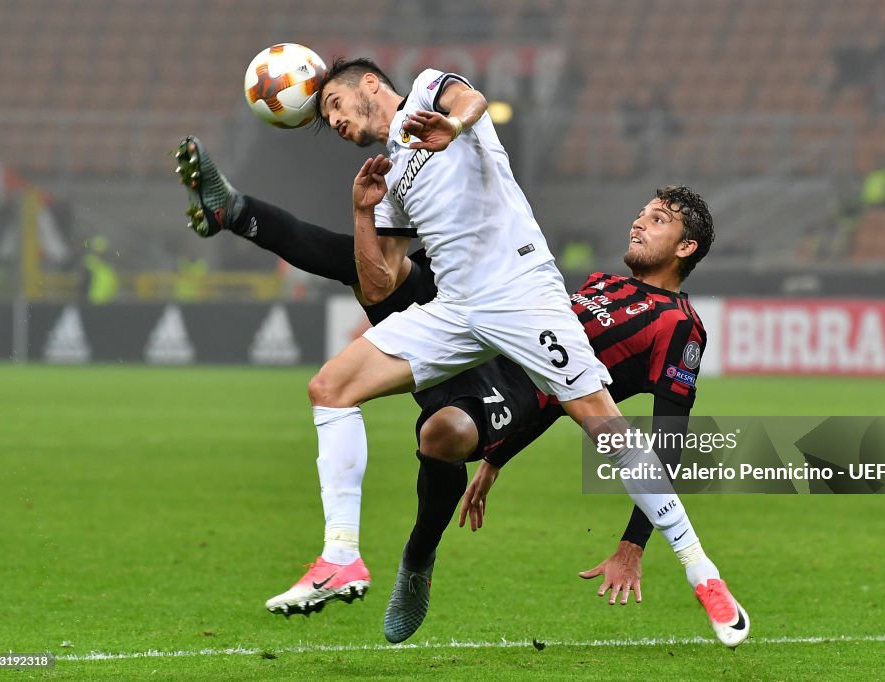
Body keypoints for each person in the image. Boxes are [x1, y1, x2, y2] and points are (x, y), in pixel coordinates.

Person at [175, 137, 750, 647]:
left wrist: (632, 544)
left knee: (442, 435)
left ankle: (417, 560)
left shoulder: (679, 329)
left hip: (506, 391)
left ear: (685, 249)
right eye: (642, 213)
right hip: (472, 329)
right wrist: (498, 460)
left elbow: (659, 436)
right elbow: (559, 367)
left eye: (657, 220)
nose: (639, 223)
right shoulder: (602, 284)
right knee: (373, 265)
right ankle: (237, 211)